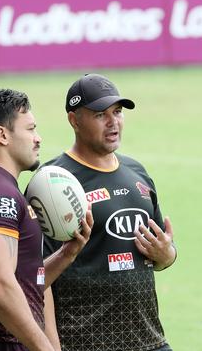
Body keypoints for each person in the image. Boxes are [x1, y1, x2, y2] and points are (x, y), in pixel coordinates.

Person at [42, 74, 177, 351]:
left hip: (149, 340)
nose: (113, 122)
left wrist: (167, 255)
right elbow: (36, 278)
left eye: (117, 112)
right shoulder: (52, 182)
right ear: (74, 120)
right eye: (100, 114)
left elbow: (163, 251)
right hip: (84, 343)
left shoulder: (137, 173)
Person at [0, 89, 92, 351]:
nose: (38, 139)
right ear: (2, 135)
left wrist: (66, 254)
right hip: (1, 345)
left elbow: (22, 281)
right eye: (30, 129)